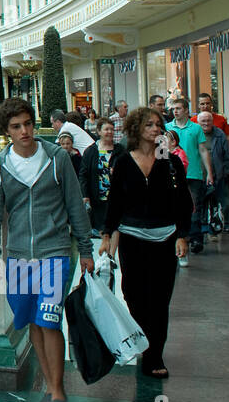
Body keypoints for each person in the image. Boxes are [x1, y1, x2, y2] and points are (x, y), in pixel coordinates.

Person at [0, 98, 93, 402]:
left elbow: (75, 205)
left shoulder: (57, 159)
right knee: (32, 322)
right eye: (16, 126)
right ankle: (49, 382)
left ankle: (58, 391)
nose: (24, 131)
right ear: (7, 131)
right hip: (18, 255)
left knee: (49, 320)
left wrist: (85, 249)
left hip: (55, 251)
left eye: (28, 123)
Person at [99, 107, 192, 376]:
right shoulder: (125, 161)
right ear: (136, 129)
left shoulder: (169, 162)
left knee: (160, 300)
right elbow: (115, 201)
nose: (156, 129)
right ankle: (143, 341)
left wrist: (183, 235)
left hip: (165, 238)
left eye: (158, 125)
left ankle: (154, 356)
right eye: (150, 125)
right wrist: (107, 234)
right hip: (132, 238)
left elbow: (183, 202)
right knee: (134, 295)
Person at [166, 96, 213, 256]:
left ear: (186, 110)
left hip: (193, 173)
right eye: (173, 109)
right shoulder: (167, 128)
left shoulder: (196, 128)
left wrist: (209, 173)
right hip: (172, 174)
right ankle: (177, 237)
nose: (175, 111)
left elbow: (203, 150)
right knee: (174, 206)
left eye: (178, 108)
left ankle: (195, 237)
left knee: (193, 207)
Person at [80, 117, 124, 236]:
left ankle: (111, 253)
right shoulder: (91, 151)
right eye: (106, 129)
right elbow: (83, 175)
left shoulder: (120, 150)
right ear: (99, 131)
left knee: (115, 229)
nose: (110, 132)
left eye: (112, 129)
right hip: (97, 198)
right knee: (101, 230)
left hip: (116, 197)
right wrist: (85, 194)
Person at [197, 111, 229, 235]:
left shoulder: (219, 134)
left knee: (226, 203)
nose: (206, 123)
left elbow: (227, 154)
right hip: (200, 176)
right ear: (198, 122)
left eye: (209, 121)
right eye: (203, 121)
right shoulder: (195, 134)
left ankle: (228, 224)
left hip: (219, 175)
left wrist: (226, 171)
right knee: (201, 203)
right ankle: (203, 224)